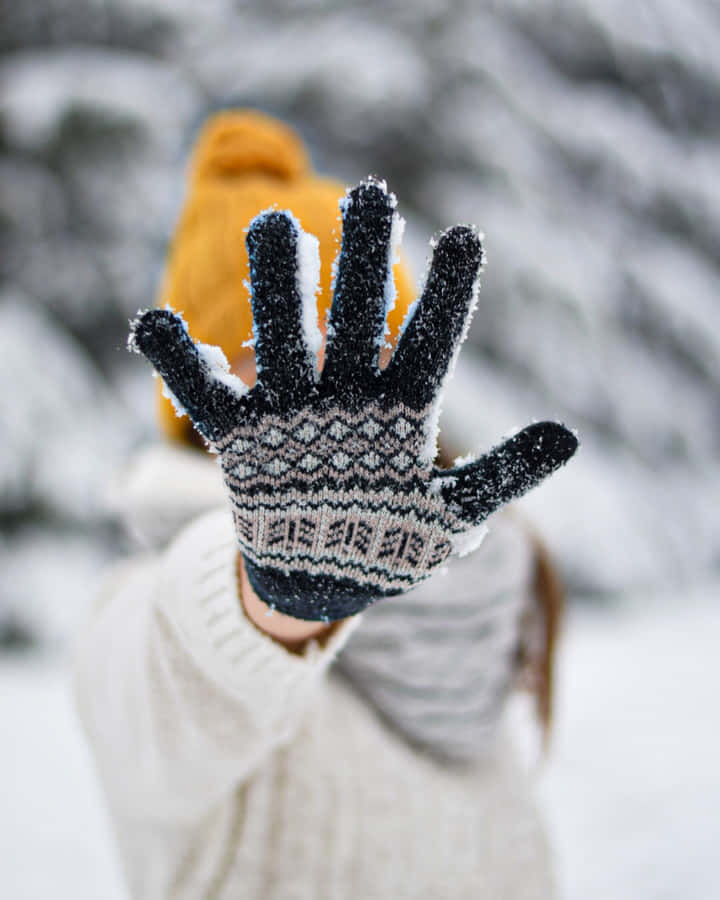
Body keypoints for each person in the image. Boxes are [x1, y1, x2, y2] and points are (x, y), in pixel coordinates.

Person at [74, 110, 577, 899]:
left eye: (356, 350)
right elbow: (184, 680)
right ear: (203, 395)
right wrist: (277, 600)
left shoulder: (483, 609)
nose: (320, 400)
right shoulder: (141, 617)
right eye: (271, 355)